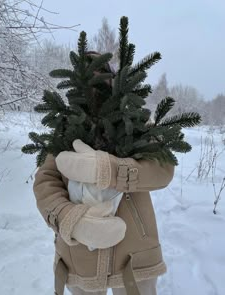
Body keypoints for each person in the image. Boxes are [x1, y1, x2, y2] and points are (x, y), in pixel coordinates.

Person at [33, 53, 175, 295]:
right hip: (78, 254)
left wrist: (110, 171)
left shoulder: (137, 124)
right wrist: (69, 219)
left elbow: (163, 169)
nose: (95, 86)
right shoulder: (66, 130)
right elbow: (45, 181)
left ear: (113, 81)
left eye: (102, 76)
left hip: (134, 255)